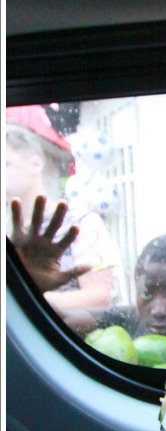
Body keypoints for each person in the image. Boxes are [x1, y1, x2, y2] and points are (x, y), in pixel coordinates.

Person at [9, 198, 166, 361]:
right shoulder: (125, 319)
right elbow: (63, 320)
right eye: (147, 293)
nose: (159, 310)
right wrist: (28, 285)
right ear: (134, 285)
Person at [6, 105, 120, 309]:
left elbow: (100, 297)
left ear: (36, 164)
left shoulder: (82, 223)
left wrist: (22, 300)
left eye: (5, 164)